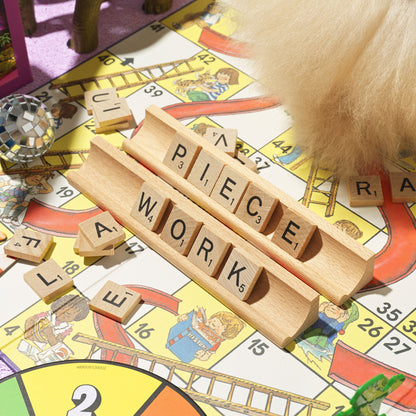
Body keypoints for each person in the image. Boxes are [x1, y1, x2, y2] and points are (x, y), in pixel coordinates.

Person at [167, 307, 244, 362]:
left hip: (184, 356)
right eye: (211, 321)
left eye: (215, 327)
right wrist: (183, 318)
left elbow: (207, 355)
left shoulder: (216, 343)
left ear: (223, 336)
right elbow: (181, 323)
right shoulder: (198, 321)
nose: (211, 324)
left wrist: (203, 355)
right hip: (172, 341)